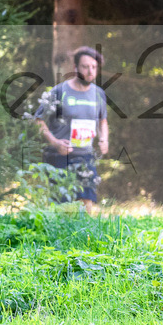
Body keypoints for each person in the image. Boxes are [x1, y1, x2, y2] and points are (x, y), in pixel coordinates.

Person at [34, 46, 109, 213]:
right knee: (62, 204)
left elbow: (102, 120)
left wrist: (104, 139)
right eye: (85, 66)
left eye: (94, 67)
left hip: (85, 155)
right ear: (75, 68)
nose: (90, 71)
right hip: (59, 155)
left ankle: (86, 230)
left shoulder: (98, 93)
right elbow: (38, 119)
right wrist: (55, 142)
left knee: (87, 200)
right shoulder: (59, 91)